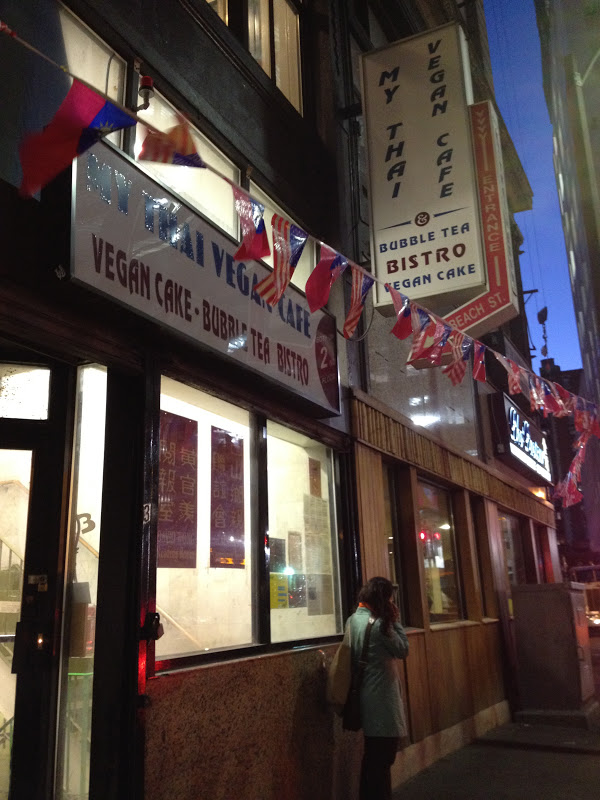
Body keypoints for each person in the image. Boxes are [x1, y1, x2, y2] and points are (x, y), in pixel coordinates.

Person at [346, 576, 409, 800]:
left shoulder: (353, 620)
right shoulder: (382, 625)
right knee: (383, 760)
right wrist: (394, 619)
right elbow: (403, 649)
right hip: (383, 701)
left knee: (372, 759)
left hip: (365, 697)